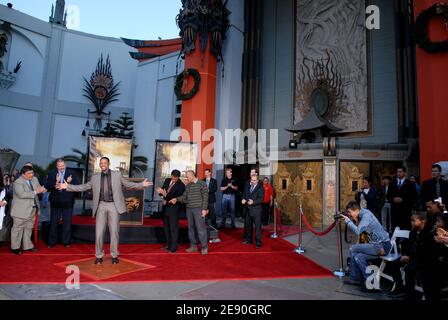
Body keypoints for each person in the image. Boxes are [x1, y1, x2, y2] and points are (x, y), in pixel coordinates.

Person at [57, 157, 152, 264]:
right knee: (99, 232)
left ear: (109, 164)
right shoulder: (95, 177)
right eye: (101, 163)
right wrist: (68, 186)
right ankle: (99, 256)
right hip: (101, 205)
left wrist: (141, 185)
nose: (103, 165)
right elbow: (83, 187)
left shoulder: (117, 175)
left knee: (114, 232)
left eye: (105, 163)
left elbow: (128, 184)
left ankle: (114, 255)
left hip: (113, 206)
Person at [389, 212, 439, 300]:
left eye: (414, 221)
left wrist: (411, 258)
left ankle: (410, 294)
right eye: (411, 220)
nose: (411, 222)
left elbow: (426, 252)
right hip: (412, 256)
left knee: (409, 269)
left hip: (423, 259)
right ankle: (399, 286)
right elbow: (408, 245)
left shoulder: (428, 233)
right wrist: (406, 255)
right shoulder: (414, 231)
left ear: (422, 221)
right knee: (394, 263)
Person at [341, 201, 391, 289]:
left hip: (382, 246)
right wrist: (354, 219)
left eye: (350, 212)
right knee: (359, 256)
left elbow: (358, 231)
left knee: (353, 248)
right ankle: (367, 282)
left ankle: (356, 278)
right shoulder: (362, 213)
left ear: (356, 210)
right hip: (375, 245)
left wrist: (348, 222)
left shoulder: (366, 216)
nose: (349, 214)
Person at [170, 170, 209, 255]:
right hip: (189, 209)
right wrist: (176, 199)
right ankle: (193, 246)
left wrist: (204, 209)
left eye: (187, 176)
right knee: (191, 228)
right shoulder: (188, 185)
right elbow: (184, 197)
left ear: (192, 175)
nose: (186, 178)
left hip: (198, 209)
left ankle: (204, 247)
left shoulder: (202, 183)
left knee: (200, 228)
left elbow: (205, 197)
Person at [10, 165, 47, 254]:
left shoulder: (34, 179)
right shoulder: (18, 182)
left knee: (28, 228)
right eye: (29, 173)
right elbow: (21, 194)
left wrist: (42, 190)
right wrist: (35, 192)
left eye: (32, 173)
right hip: (20, 211)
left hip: (32, 210)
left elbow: (38, 188)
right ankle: (15, 247)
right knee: (17, 229)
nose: (31, 175)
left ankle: (27, 246)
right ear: (23, 174)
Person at [45, 159, 78, 248]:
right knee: (53, 223)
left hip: (68, 202)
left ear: (65, 165)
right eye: (60, 166)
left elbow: (77, 186)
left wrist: (69, 182)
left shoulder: (72, 173)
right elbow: (47, 186)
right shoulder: (52, 173)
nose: (62, 168)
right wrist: (56, 182)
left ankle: (66, 242)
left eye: (63, 166)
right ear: (57, 166)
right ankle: (51, 242)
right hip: (55, 202)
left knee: (67, 223)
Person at [156, 169, 185, 253]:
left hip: (174, 208)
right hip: (165, 207)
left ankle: (173, 247)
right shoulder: (167, 180)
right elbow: (163, 190)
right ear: (171, 176)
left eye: (176, 178)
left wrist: (165, 195)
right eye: (173, 178)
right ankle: (168, 245)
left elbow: (175, 197)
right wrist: (160, 192)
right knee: (166, 227)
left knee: (173, 228)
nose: (174, 180)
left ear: (179, 177)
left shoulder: (181, 185)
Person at [242, 169, 265, 249]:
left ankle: (258, 242)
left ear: (257, 180)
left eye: (254, 180)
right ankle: (249, 239)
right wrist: (243, 199)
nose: (253, 182)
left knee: (257, 227)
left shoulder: (260, 187)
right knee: (248, 226)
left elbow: (261, 199)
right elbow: (244, 194)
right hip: (248, 209)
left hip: (256, 210)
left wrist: (253, 202)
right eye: (252, 180)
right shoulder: (248, 185)